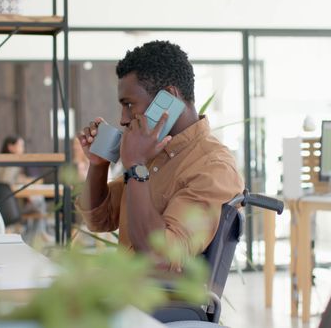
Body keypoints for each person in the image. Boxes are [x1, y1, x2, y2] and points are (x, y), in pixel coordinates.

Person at [75, 40, 244, 271]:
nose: (124, 119)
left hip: (158, 303)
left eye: (129, 104)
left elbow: (160, 258)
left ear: (168, 98)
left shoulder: (214, 168)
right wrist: (98, 164)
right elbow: (98, 219)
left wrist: (135, 166)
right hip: (124, 291)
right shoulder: (152, 153)